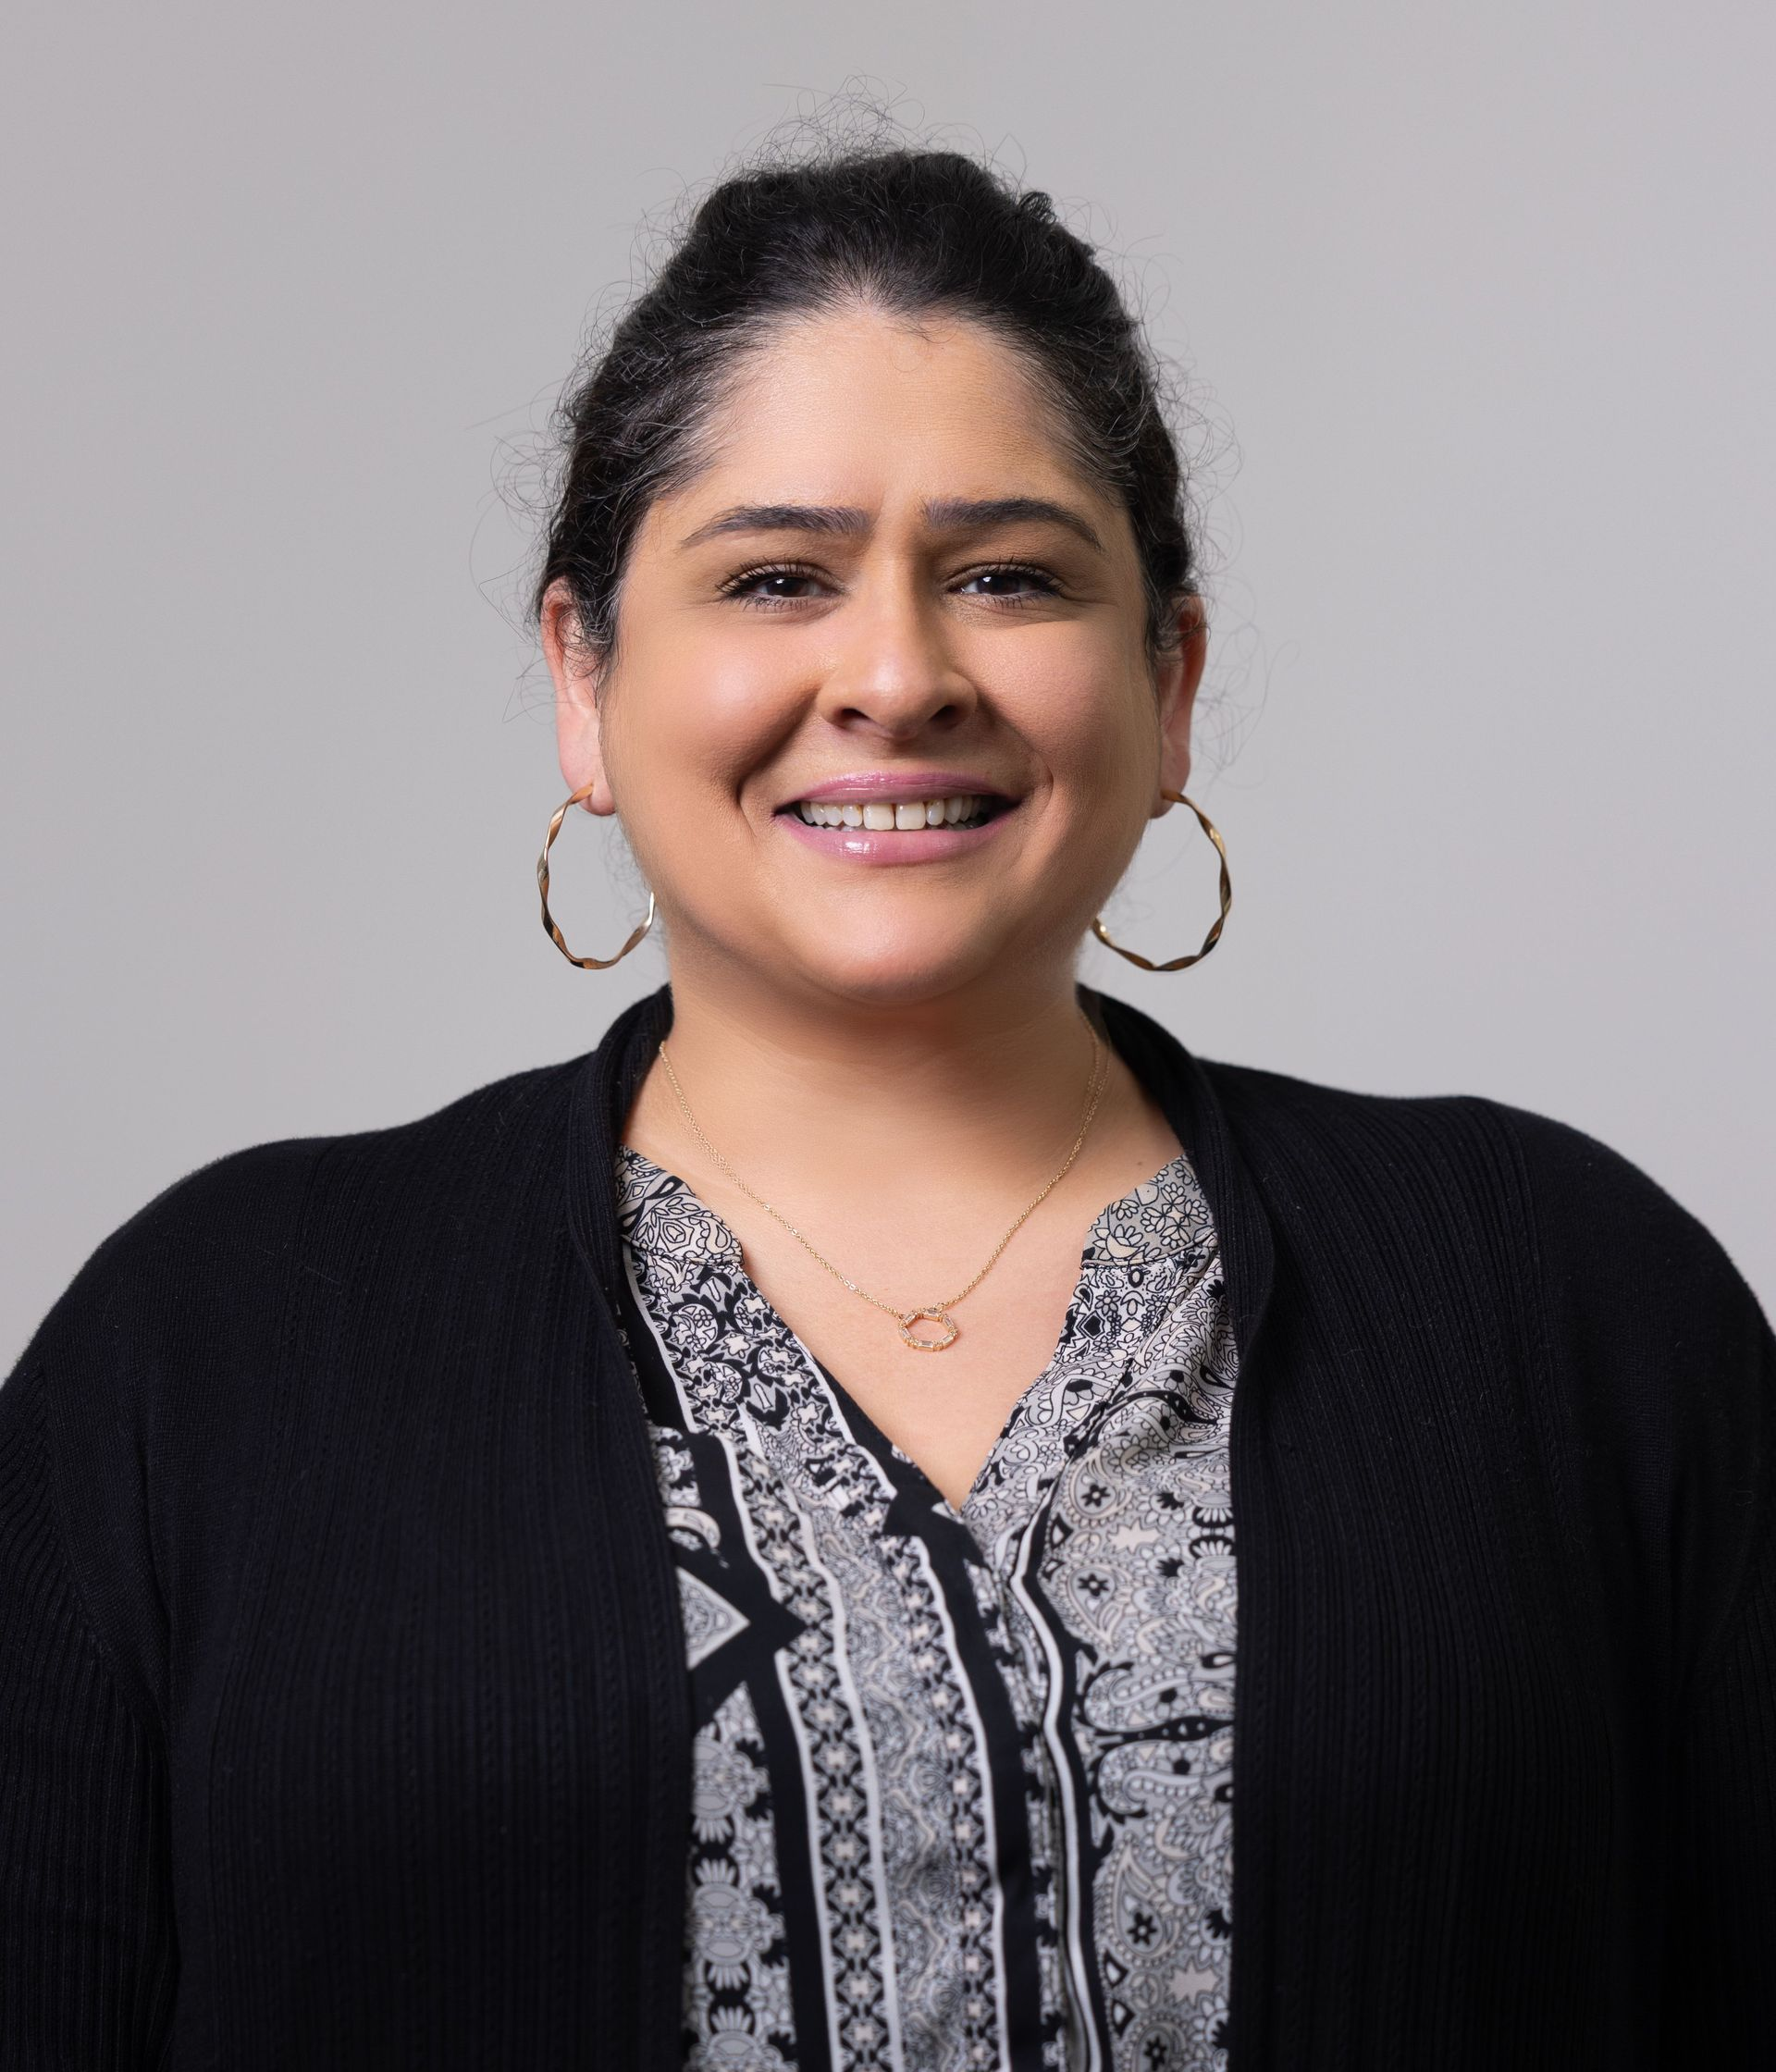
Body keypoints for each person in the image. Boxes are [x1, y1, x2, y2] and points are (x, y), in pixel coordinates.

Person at [2, 134, 1771, 2072]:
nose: (898, 673)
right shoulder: (212, 1355)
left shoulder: (1572, 1309)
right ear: (584, 678)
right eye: (777, 575)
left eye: (1008, 575)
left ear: (1169, 678)